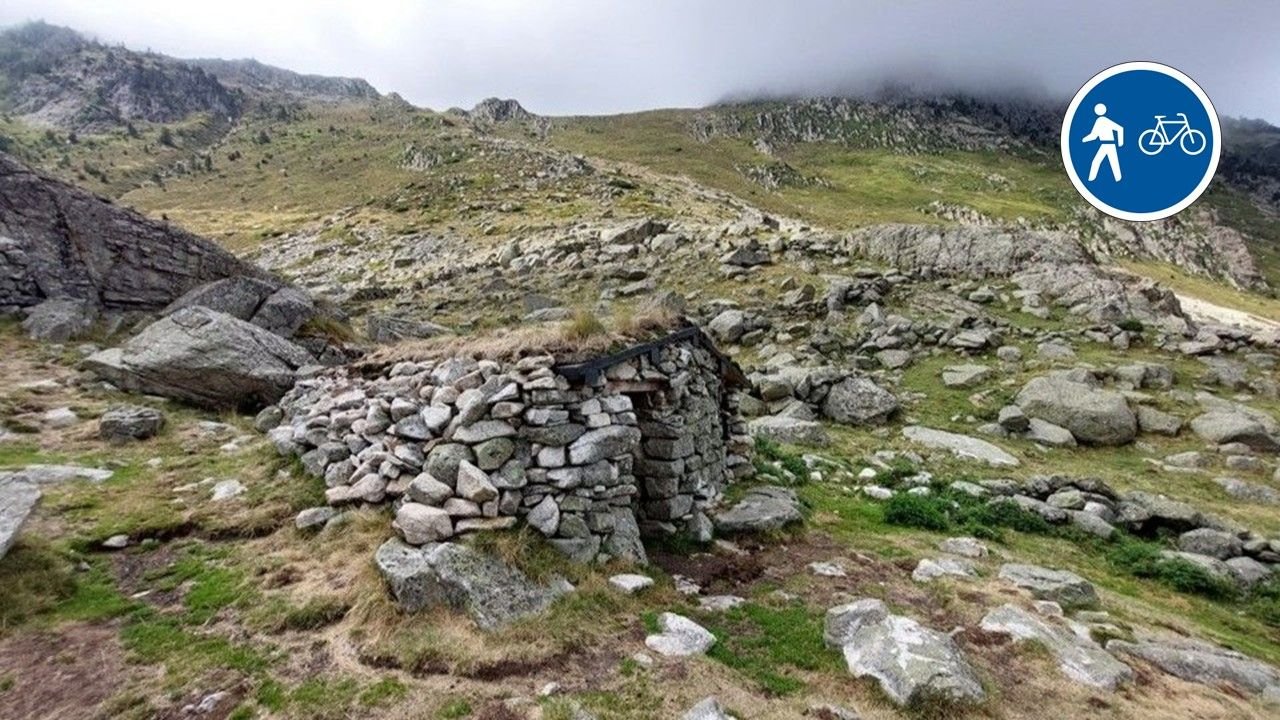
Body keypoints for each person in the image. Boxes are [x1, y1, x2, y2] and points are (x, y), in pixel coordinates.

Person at [1082, 103, 1124, 182]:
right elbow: (1094, 135)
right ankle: (1092, 179)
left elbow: (1120, 129)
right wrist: (1084, 139)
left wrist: (1120, 143)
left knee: (1099, 162)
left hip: (1108, 145)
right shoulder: (1101, 120)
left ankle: (1091, 179)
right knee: (1111, 163)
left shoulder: (1102, 121)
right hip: (1107, 145)